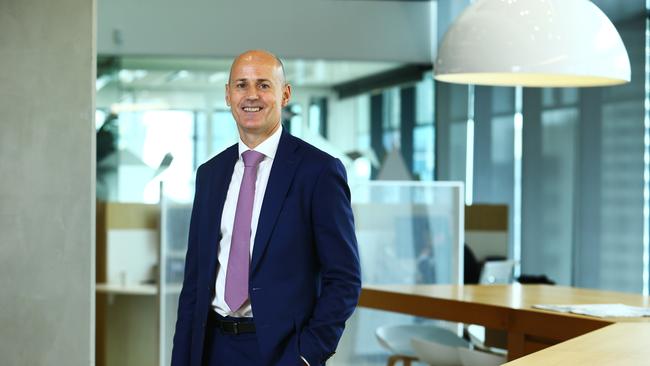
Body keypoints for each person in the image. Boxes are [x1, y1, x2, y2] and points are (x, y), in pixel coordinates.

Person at [171, 50, 362, 366]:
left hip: (280, 352)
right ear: (228, 95)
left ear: (285, 94)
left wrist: (306, 355)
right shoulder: (210, 174)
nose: (251, 96)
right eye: (241, 85)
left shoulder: (318, 172)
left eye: (263, 85)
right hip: (211, 348)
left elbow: (344, 278)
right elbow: (194, 281)